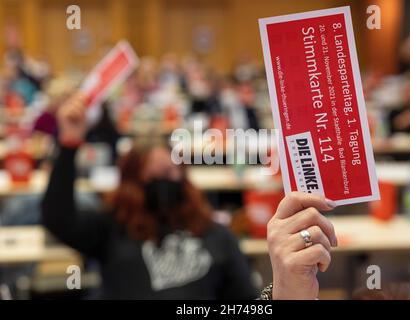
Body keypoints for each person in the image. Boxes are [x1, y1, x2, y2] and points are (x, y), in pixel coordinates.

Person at [41, 92, 257, 299]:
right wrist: (68, 144)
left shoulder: (214, 233)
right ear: (132, 183)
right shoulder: (111, 228)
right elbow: (58, 218)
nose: (165, 182)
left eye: (171, 173)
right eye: (153, 176)